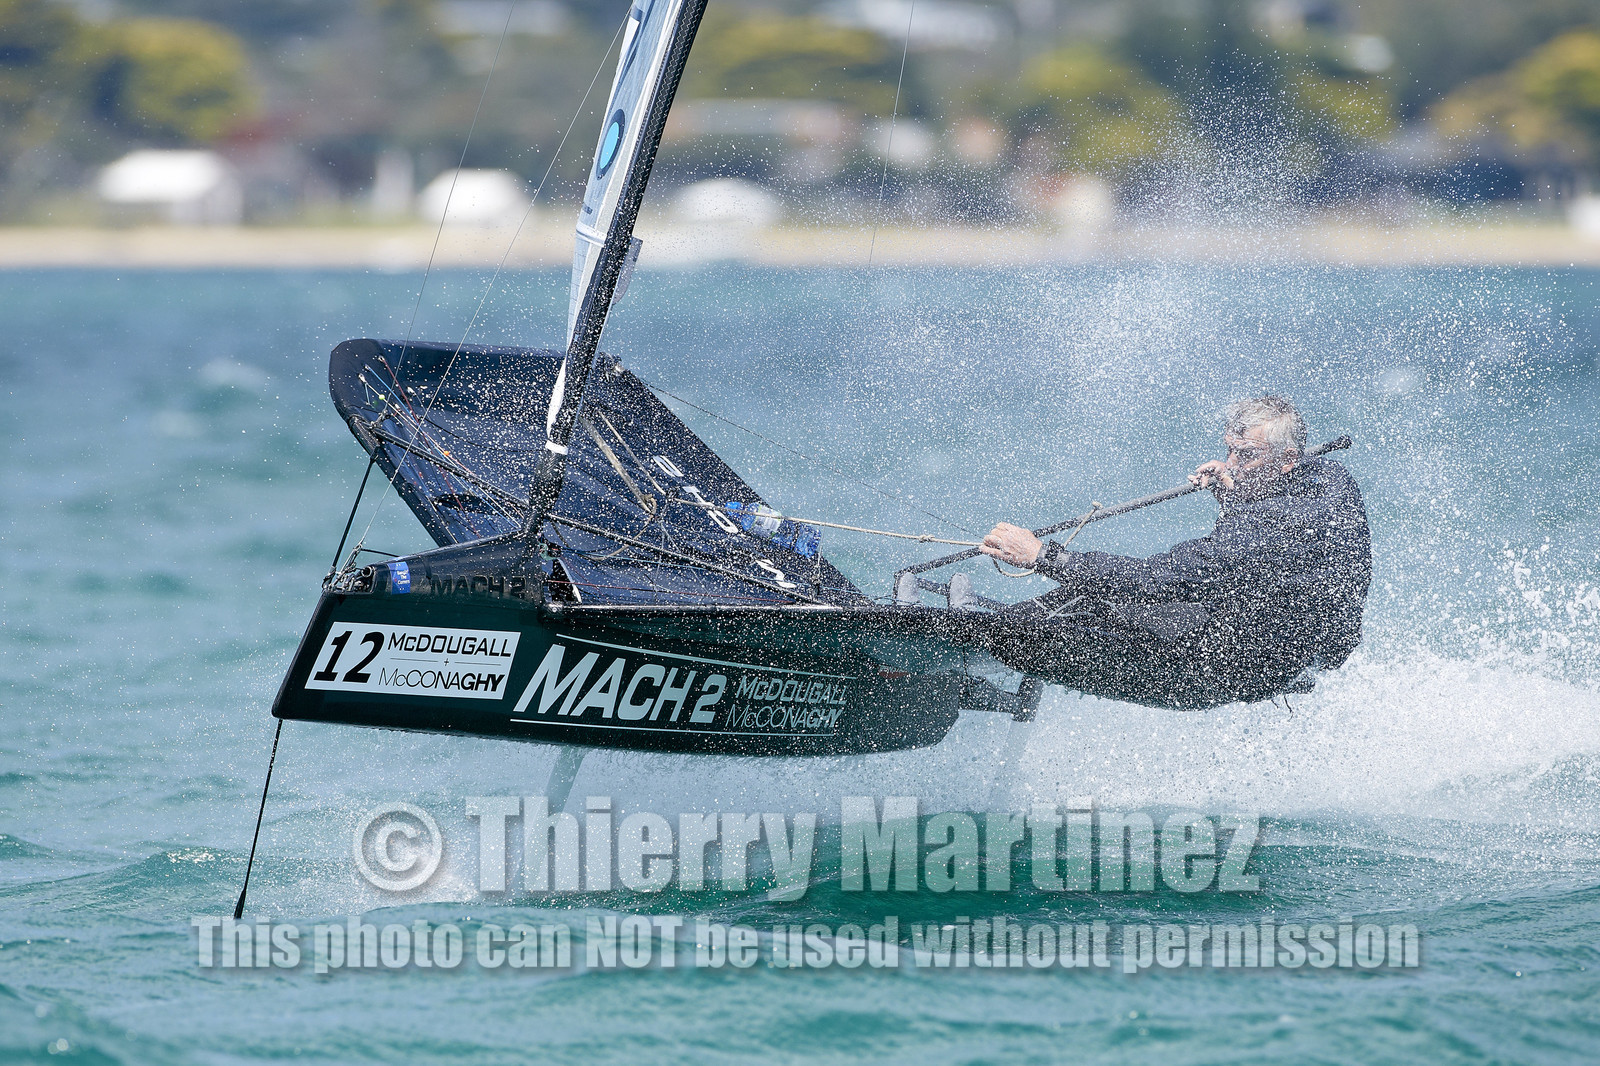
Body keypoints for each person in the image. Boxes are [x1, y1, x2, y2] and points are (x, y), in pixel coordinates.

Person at [969, 396, 1371, 707]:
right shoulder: (1328, 476)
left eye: (1245, 456)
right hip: (1272, 640)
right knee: (1085, 597)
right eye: (1230, 449)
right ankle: (989, 631)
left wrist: (1043, 556)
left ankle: (975, 646)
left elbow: (1162, 579)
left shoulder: (1280, 525)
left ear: (1286, 460)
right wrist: (1237, 497)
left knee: (1075, 618)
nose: (1229, 464)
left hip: (1226, 669)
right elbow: (1259, 559)